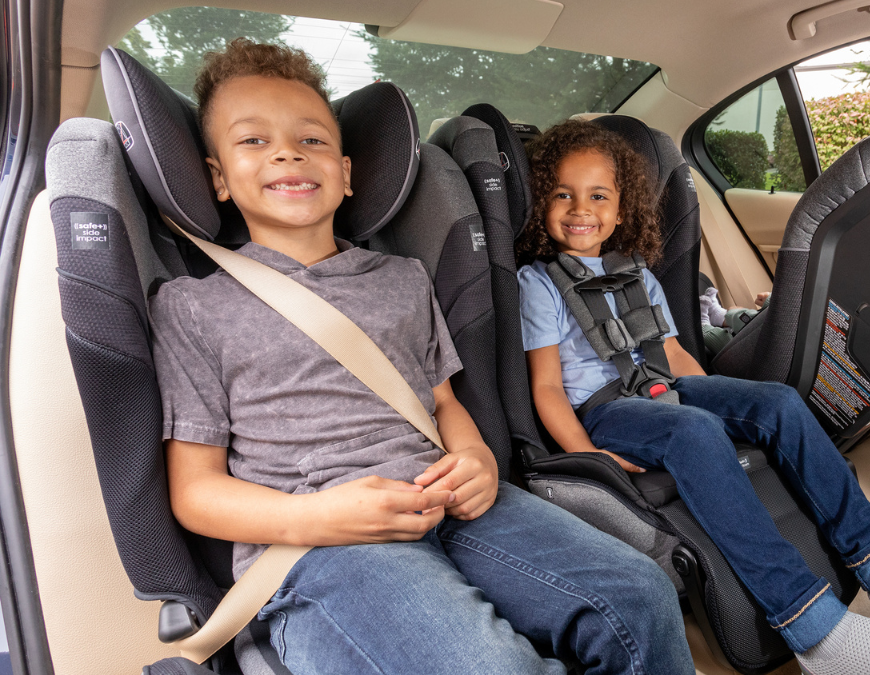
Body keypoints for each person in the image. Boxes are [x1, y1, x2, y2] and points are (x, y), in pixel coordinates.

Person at [150, 39, 692, 675]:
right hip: (319, 543)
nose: (287, 152)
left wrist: (476, 457)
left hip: (448, 501)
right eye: (252, 141)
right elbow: (195, 492)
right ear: (217, 177)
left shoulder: (403, 278)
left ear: (347, 172)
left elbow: (440, 402)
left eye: (312, 139)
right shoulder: (194, 306)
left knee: (641, 595)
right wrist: (320, 514)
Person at [517, 119, 870, 675]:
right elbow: (546, 386)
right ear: (543, 202)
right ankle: (815, 631)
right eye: (562, 194)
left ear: (620, 209)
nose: (579, 208)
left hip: (664, 387)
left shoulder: (639, 275)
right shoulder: (538, 284)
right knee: (695, 431)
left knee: (777, 403)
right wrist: (590, 454)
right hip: (607, 409)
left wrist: (710, 396)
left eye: (597, 196)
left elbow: (676, 357)